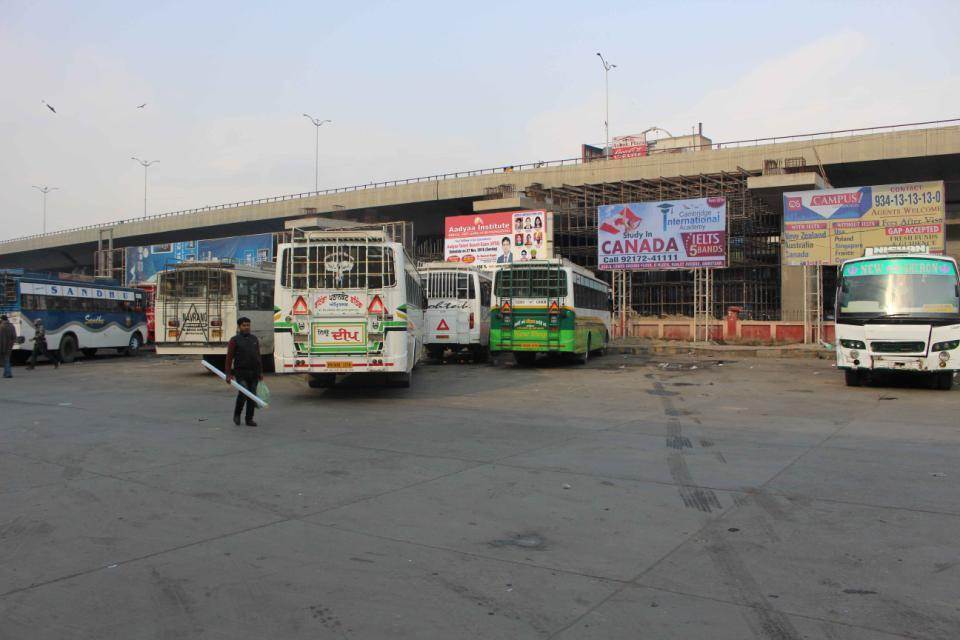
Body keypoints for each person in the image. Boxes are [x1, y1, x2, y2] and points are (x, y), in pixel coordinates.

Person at [224, 316, 263, 427]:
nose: (246, 327)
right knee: (243, 393)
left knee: (252, 396)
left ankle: (249, 419)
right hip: (241, 373)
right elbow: (229, 358)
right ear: (239, 326)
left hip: (254, 373)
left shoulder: (254, 339)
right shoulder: (234, 340)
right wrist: (228, 374)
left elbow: (258, 356)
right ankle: (237, 414)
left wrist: (260, 372)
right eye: (244, 325)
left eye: (248, 325)